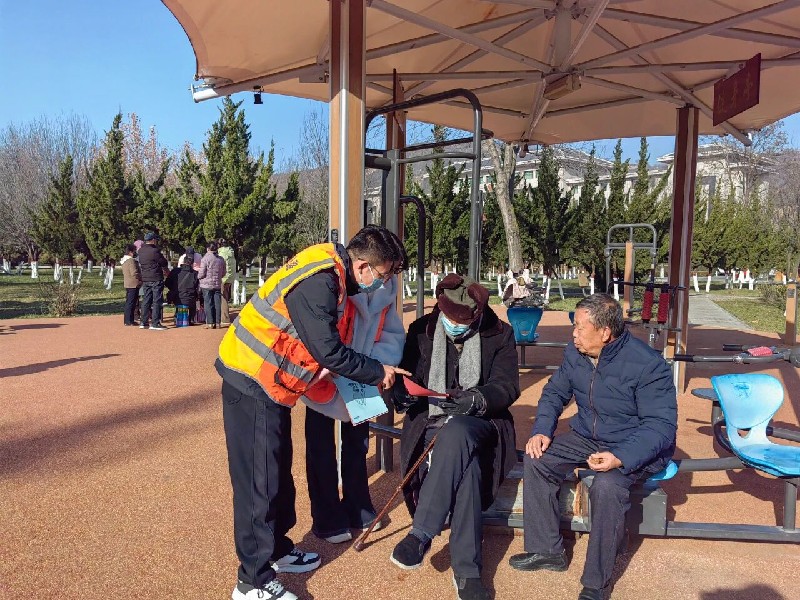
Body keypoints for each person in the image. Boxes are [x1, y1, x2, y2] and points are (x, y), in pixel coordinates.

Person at [215, 225, 410, 600]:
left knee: (276, 472)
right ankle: (252, 581)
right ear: (363, 266)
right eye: (383, 275)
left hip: (274, 384)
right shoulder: (320, 281)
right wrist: (377, 371)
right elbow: (329, 350)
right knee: (259, 483)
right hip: (251, 379)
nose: (383, 284)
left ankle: (277, 549)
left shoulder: (333, 271)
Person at [509, 293, 677, 600]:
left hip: (632, 443)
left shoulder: (648, 365)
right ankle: (547, 551)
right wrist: (542, 430)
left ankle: (596, 583)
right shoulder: (576, 352)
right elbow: (554, 393)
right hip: (588, 436)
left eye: (579, 327)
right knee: (538, 459)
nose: (573, 333)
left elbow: (660, 427)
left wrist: (620, 457)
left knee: (607, 486)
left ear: (605, 332)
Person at [389, 274, 520, 600]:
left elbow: (507, 386)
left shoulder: (501, 333)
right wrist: (402, 395)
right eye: (449, 319)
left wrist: (477, 399)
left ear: (477, 316)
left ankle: (421, 533)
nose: (454, 326)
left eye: (463, 323)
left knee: (459, 429)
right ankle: (468, 572)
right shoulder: (421, 329)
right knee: (468, 470)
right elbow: (405, 378)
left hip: (481, 424)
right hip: (430, 424)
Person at [301, 271, 406, 544]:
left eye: (390, 271)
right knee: (320, 446)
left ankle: (358, 504)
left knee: (358, 444)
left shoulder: (386, 289)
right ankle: (326, 516)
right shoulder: (334, 281)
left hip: (363, 375)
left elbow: (391, 333)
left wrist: (377, 363)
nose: (385, 276)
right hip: (325, 375)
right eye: (383, 270)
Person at [137, 232, 169, 331]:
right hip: (155, 278)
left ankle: (143, 321)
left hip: (146, 278)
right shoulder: (155, 251)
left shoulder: (141, 251)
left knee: (146, 300)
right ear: (153, 240)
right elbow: (163, 262)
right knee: (157, 300)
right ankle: (155, 322)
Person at [166, 247, 200, 324]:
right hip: (190, 298)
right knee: (191, 302)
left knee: (180, 301)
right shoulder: (195, 273)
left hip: (176, 297)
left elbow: (167, 283)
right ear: (192, 263)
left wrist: (174, 288)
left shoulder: (175, 271)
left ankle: (178, 316)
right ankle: (191, 318)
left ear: (183, 261)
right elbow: (197, 287)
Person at [198, 241, 226, 329]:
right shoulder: (221, 259)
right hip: (217, 284)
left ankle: (210, 323)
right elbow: (224, 273)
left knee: (208, 303)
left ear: (207, 249)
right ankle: (218, 323)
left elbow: (202, 273)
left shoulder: (205, 258)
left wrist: (198, 277)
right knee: (217, 303)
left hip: (206, 285)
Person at [121, 243, 142, 326]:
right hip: (133, 283)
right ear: (130, 252)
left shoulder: (124, 261)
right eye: (134, 251)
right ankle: (129, 321)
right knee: (131, 303)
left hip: (128, 283)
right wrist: (141, 278)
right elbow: (134, 272)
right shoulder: (131, 261)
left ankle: (128, 320)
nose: (135, 253)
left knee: (129, 302)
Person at [218, 238, 236, 326]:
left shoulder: (221, 253)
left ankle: (225, 319)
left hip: (223, 278)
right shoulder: (231, 251)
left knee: (223, 298)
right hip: (230, 277)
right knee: (225, 296)